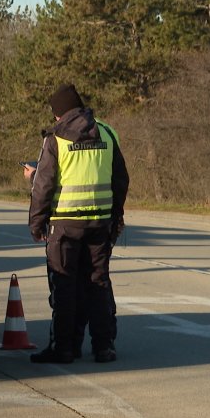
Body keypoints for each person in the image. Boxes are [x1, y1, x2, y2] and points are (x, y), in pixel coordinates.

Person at [28, 83, 129, 364]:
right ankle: (104, 347)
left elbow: (43, 186)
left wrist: (36, 223)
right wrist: (116, 217)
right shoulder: (107, 133)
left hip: (65, 225)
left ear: (59, 113)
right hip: (100, 223)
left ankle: (64, 348)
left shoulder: (56, 139)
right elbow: (120, 180)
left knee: (64, 287)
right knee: (98, 283)